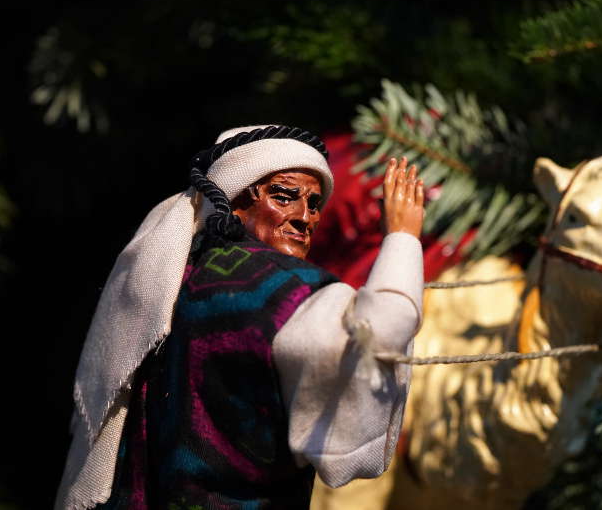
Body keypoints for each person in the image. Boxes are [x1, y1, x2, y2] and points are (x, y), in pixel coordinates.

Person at [55, 125, 425, 509]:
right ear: (234, 202)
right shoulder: (269, 290)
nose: (305, 218)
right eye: (284, 197)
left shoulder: (177, 275)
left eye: (314, 205)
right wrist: (402, 237)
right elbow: (379, 331)